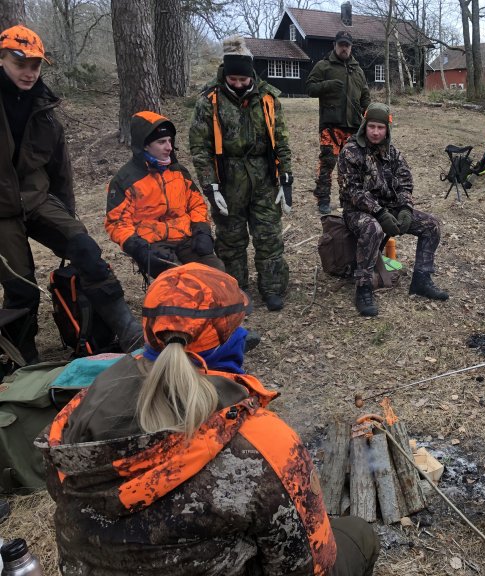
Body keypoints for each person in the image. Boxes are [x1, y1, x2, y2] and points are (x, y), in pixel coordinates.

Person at [36, 263, 380, 575]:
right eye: (240, 327)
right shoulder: (262, 442)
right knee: (359, 535)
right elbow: (306, 566)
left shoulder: (81, 409)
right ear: (233, 343)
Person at [0, 25, 142, 362]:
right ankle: (23, 360)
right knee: (21, 286)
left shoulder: (46, 113)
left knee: (85, 248)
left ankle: (126, 330)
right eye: (20, 63)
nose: (29, 72)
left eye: (35, 65)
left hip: (37, 200)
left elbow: (60, 172)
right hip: (1, 213)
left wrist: (66, 216)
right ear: (1, 58)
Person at [189, 36, 293, 311]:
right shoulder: (209, 101)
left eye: (242, 80)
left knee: (269, 235)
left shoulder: (268, 98)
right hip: (228, 177)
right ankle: (236, 292)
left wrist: (286, 179)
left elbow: (281, 141)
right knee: (231, 240)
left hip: (264, 177)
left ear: (251, 76)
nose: (237, 85)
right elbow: (200, 147)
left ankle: (272, 288)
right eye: (232, 79)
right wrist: (210, 186)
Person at [337, 103, 448, 317]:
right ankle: (363, 287)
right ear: (364, 126)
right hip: (357, 211)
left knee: (431, 225)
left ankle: (422, 280)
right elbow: (352, 190)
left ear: (387, 129)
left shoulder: (393, 152)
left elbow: (405, 182)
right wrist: (379, 213)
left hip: (390, 208)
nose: (376, 132)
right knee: (373, 228)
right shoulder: (350, 152)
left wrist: (405, 208)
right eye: (372, 127)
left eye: (380, 127)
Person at [106, 111, 225, 277]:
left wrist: (202, 230)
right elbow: (117, 223)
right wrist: (139, 248)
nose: (169, 147)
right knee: (178, 280)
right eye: (161, 142)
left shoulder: (178, 171)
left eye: (170, 141)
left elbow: (196, 204)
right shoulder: (125, 180)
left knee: (216, 272)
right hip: (152, 243)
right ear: (145, 145)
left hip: (186, 238)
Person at [306, 31, 370, 215]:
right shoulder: (323, 66)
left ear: (351, 47)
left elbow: (365, 95)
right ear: (335, 45)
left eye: (347, 45)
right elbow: (310, 88)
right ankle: (323, 200)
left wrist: (369, 115)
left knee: (352, 166)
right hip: (330, 126)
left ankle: (348, 199)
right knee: (328, 163)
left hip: (354, 127)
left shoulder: (358, 70)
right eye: (341, 44)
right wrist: (327, 85)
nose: (344, 48)